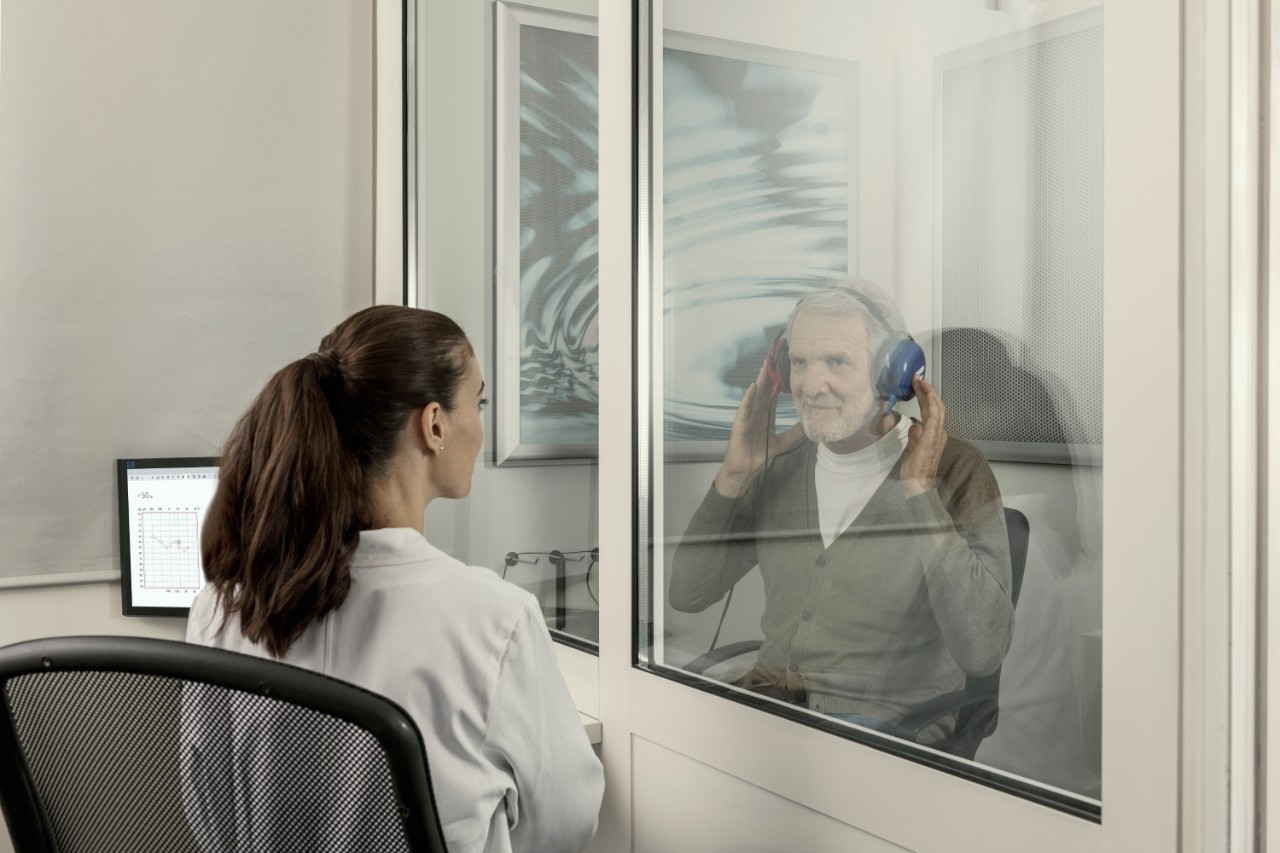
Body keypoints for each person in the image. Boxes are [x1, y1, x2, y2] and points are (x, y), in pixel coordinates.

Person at [185, 305, 604, 853]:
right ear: (434, 425)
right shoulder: (496, 621)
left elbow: (207, 809)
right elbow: (565, 826)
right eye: (477, 403)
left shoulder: (220, 611)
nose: (480, 425)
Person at [669, 282, 1015, 744]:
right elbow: (687, 592)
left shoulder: (954, 468)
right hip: (774, 714)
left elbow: (983, 650)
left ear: (894, 372)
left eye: (837, 361)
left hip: (885, 733)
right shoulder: (781, 468)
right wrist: (735, 476)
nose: (811, 386)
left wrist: (919, 490)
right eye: (799, 362)